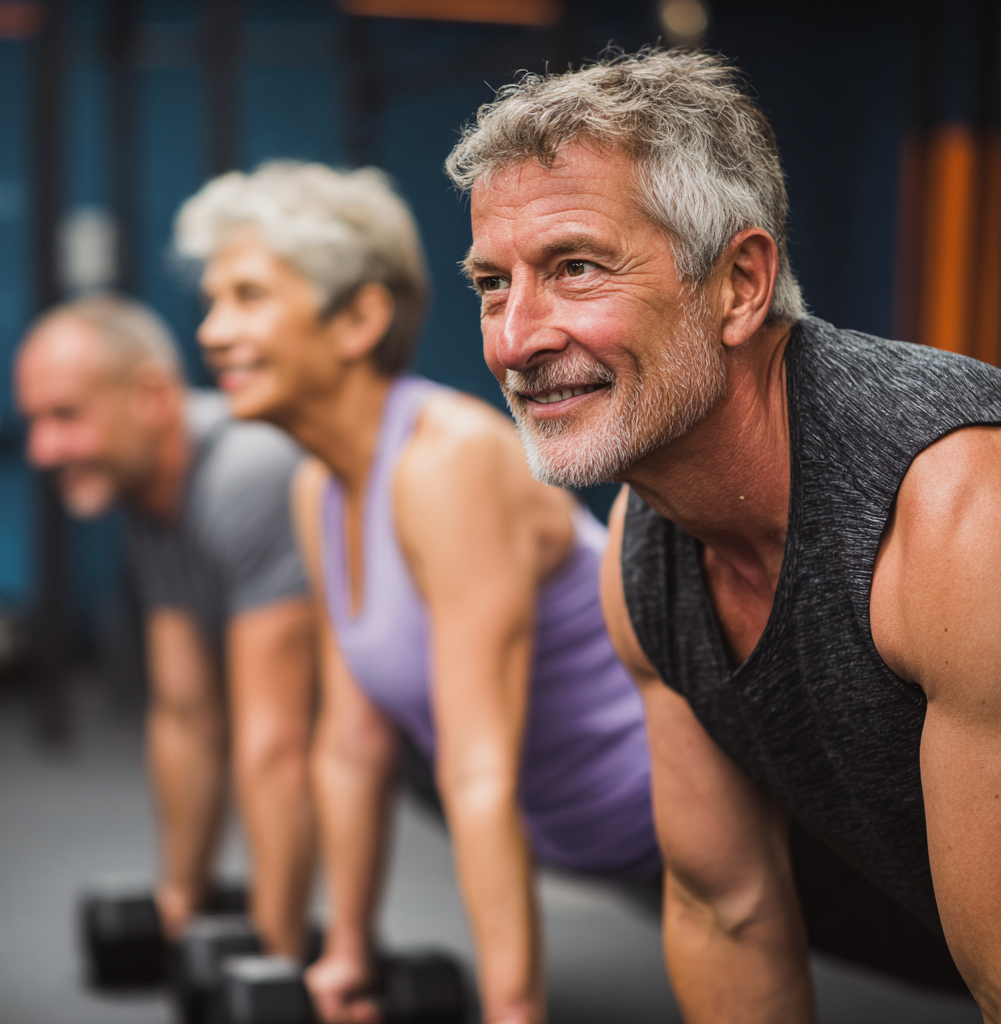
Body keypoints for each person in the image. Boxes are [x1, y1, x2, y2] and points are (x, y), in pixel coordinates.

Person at [446, 46, 1001, 1022]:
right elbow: (724, 906)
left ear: (739, 283)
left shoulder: (957, 516)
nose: (513, 339)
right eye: (493, 282)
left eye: (574, 268)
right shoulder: (645, 547)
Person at [173, 160, 660, 1024]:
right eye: (212, 303)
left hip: (665, 824)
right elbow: (352, 746)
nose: (212, 332)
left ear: (360, 318)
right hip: (572, 833)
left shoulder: (449, 461)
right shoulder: (320, 488)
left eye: (248, 297)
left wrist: (514, 1014)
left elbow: (479, 774)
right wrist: (347, 956)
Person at [14, 295, 316, 957]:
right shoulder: (153, 498)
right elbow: (186, 715)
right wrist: (181, 902)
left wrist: (275, 962)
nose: (42, 450)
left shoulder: (245, 473)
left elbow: (276, 745)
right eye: (34, 422)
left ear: (151, 397)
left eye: (65, 416)